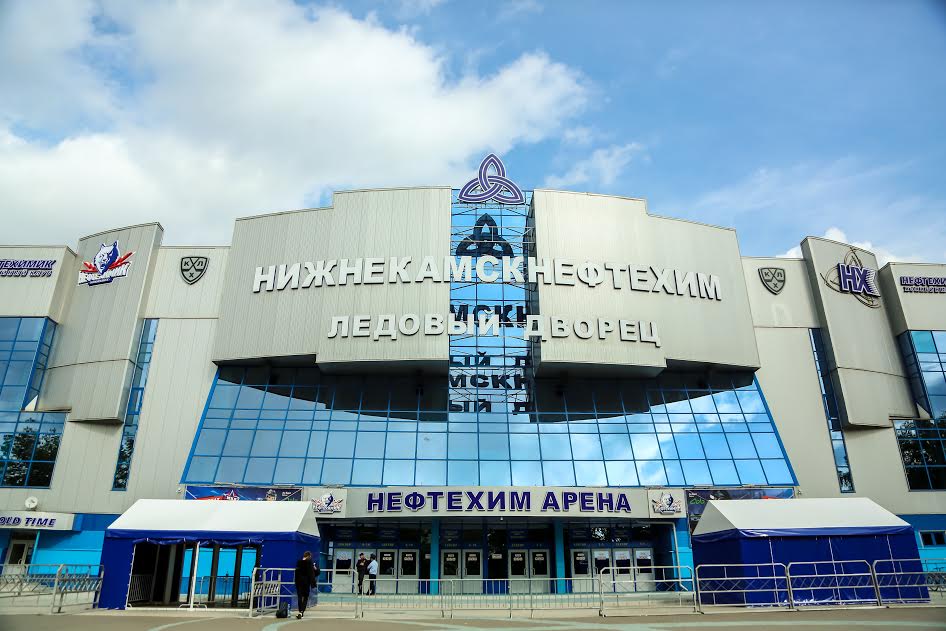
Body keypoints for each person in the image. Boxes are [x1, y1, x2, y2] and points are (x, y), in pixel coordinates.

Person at [294, 551, 317, 619]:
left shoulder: (299, 562)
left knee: (299, 597)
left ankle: (300, 611)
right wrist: (313, 583)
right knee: (306, 597)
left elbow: (296, 573)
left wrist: (296, 582)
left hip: (299, 582)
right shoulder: (309, 562)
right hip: (306, 582)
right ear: (309, 556)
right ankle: (301, 612)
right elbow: (311, 573)